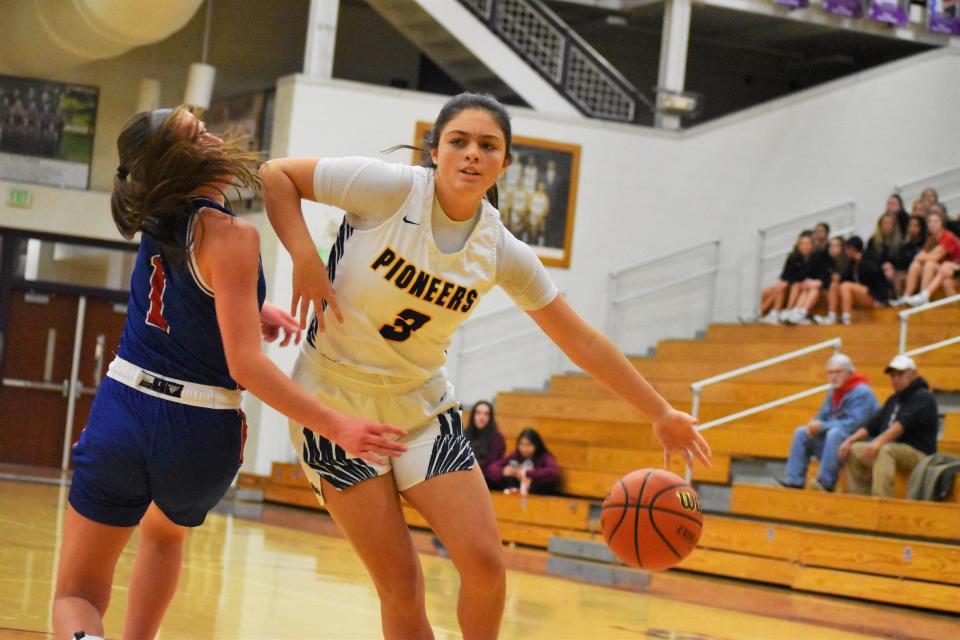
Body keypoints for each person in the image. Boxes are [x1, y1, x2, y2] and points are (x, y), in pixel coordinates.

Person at [259, 91, 711, 640]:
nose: (472, 153)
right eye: (459, 141)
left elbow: (583, 341)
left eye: (488, 145)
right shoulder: (390, 188)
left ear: (505, 163)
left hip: (420, 406)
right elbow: (276, 175)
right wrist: (305, 256)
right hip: (332, 403)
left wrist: (660, 411)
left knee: (486, 565)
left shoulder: (500, 249)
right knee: (402, 587)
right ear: (434, 150)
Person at [52, 107, 406, 640]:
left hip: (125, 411)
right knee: (165, 538)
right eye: (199, 134)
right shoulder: (233, 237)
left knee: (76, 597)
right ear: (185, 163)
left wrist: (252, 310)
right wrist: (337, 426)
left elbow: (178, 293)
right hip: (201, 430)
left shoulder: (157, 215)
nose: (215, 137)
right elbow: (245, 365)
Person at [776, 353, 880, 491]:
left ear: (850, 373)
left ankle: (826, 483)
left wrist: (822, 426)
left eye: (838, 372)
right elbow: (822, 416)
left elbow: (854, 424)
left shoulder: (862, 392)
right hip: (837, 443)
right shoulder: (833, 392)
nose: (834, 376)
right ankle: (794, 480)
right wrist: (813, 424)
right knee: (801, 432)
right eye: (830, 373)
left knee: (834, 433)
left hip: (861, 442)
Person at [839, 355, 938, 497]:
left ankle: (881, 500)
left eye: (900, 374)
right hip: (893, 448)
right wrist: (849, 440)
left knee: (885, 450)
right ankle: (861, 498)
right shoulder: (893, 399)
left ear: (913, 374)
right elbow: (872, 424)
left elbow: (902, 424)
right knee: (853, 450)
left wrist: (878, 441)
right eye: (892, 376)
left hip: (920, 454)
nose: (895, 379)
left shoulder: (923, 397)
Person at [814, 236, 892, 325]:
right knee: (834, 285)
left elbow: (876, 283)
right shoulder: (852, 262)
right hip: (862, 293)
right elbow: (845, 278)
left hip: (875, 297)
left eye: (847, 249)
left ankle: (846, 317)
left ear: (852, 249)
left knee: (846, 286)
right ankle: (831, 316)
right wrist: (838, 278)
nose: (846, 252)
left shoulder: (869, 261)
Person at [898, 211, 960, 306]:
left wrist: (926, 257)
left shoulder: (948, 236)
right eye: (930, 221)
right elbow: (918, 257)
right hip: (946, 270)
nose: (932, 224)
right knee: (916, 265)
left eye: (936, 221)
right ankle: (907, 296)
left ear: (942, 224)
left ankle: (924, 295)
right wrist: (926, 257)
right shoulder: (931, 238)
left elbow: (934, 257)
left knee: (931, 265)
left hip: (954, 269)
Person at [758, 230, 816, 325]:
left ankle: (785, 312)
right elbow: (785, 274)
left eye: (807, 243)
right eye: (802, 243)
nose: (805, 246)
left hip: (800, 284)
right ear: (798, 245)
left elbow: (802, 276)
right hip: (792, 283)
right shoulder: (793, 256)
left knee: (791, 285)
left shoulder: (815, 257)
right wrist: (782, 282)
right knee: (777, 288)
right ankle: (772, 314)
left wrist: (787, 282)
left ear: (812, 245)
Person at [487, 428, 561, 495]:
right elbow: (492, 468)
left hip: (537, 491)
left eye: (528, 445)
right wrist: (503, 471)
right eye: (522, 445)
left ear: (537, 445)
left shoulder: (545, 456)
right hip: (516, 489)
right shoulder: (515, 455)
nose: (524, 448)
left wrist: (527, 473)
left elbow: (553, 472)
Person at [465, 400, 506, 487]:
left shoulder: (497, 438)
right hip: (465, 477)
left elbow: (491, 464)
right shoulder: (464, 434)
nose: (482, 417)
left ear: (490, 417)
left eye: (486, 414)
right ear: (473, 415)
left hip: (487, 481)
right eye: (478, 413)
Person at [892, 216, 926, 297]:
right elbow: (901, 266)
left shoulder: (926, 243)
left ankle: (907, 297)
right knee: (897, 276)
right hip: (908, 272)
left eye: (916, 225)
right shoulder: (905, 246)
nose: (912, 228)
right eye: (910, 225)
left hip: (922, 273)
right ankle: (900, 300)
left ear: (921, 227)